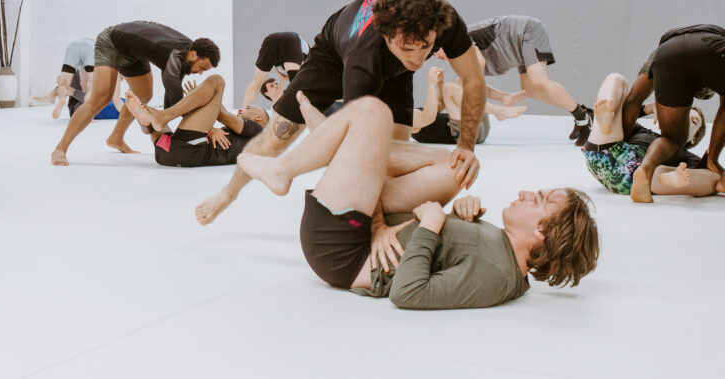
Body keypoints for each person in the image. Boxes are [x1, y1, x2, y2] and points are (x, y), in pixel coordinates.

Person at [237, 94, 600, 309]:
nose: (525, 193)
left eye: (537, 199)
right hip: (368, 228)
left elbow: (410, 293)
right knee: (457, 168)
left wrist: (430, 225)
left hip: (342, 251)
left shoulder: (497, 277)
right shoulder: (503, 256)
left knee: (372, 112)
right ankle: (338, 142)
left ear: (541, 230)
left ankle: (308, 156)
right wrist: (460, 213)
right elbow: (455, 249)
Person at [195, 0, 486, 225]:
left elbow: (473, 80)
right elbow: (359, 153)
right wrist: (378, 229)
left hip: (393, 72)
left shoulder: (445, 21)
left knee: (395, 154)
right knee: (274, 140)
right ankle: (227, 193)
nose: (418, 59)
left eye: (426, 47)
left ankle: (389, 217)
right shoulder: (365, 58)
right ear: (387, 36)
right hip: (332, 57)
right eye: (408, 48)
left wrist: (466, 146)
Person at [50, 21, 220, 166]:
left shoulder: (189, 52)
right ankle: (60, 148)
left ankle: (116, 138)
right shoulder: (174, 61)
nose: (200, 73)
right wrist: (208, 127)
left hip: (133, 52)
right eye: (202, 68)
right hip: (111, 42)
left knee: (144, 94)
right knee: (101, 98)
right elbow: (174, 104)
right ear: (193, 54)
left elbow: (173, 106)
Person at [439, 15, 593, 146]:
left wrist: (475, 93)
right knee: (531, 90)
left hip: (526, 32)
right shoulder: (459, 50)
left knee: (538, 81)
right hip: (517, 46)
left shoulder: (459, 38)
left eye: (436, 49)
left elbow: (478, 66)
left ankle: (583, 120)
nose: (436, 55)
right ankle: (582, 113)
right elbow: (470, 80)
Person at [584, 71, 721, 197]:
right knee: (617, 79)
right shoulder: (644, 131)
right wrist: (649, 108)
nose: (685, 121)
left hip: (638, 179)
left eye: (693, 121)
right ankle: (607, 117)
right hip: (606, 152)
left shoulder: (687, 156)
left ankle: (669, 180)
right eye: (683, 116)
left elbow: (699, 173)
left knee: (705, 177)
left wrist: (708, 155)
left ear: (693, 138)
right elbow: (627, 115)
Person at [124, 74, 268, 167]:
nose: (241, 110)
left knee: (217, 81)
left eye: (248, 108)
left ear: (258, 117)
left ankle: (160, 117)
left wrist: (199, 98)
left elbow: (223, 115)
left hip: (192, 150)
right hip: (168, 153)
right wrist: (198, 98)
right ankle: (146, 122)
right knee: (154, 124)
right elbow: (219, 111)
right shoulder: (243, 136)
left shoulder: (257, 130)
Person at [411, 67, 526, 145]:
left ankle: (504, 97)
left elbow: (440, 104)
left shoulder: (411, 112)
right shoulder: (407, 120)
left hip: (477, 127)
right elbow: (428, 117)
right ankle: (498, 111)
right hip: (465, 135)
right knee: (449, 88)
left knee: (463, 81)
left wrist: (439, 83)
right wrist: (431, 85)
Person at [240, 31, 308, 108]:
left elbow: (279, 101)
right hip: (292, 40)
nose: (276, 85)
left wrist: (283, 80)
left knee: (256, 82)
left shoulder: (283, 90)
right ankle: (243, 112)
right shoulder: (309, 66)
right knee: (297, 89)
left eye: (275, 84)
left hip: (272, 39)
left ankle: (243, 111)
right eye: (273, 85)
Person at [33, 38, 96, 119]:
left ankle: (60, 99)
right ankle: (89, 114)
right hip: (92, 50)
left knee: (64, 83)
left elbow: (82, 82)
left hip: (73, 46)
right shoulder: (102, 55)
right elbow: (86, 85)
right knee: (90, 86)